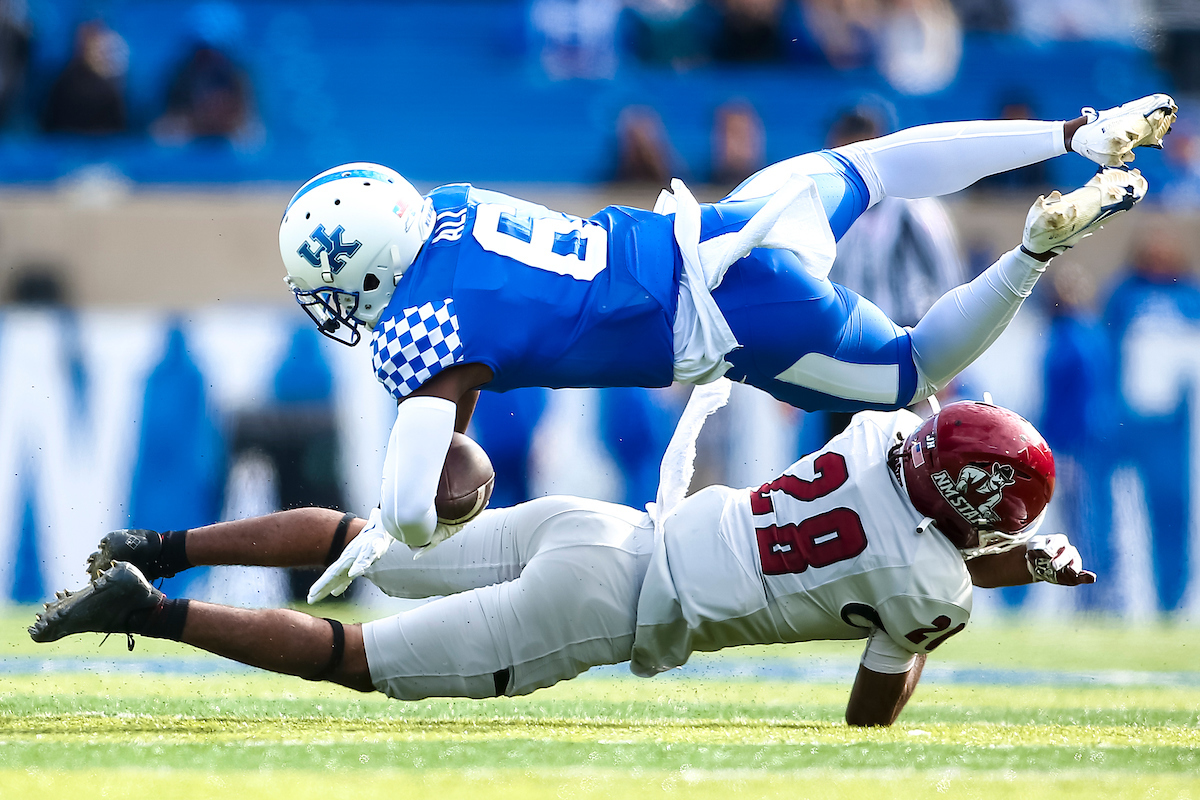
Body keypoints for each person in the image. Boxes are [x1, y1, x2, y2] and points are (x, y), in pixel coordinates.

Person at [278, 94, 1174, 550]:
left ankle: (1028, 254)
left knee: (910, 372)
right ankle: (1073, 135)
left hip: (738, 316)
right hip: (727, 220)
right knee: (876, 163)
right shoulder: (450, 206)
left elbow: (407, 511)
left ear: (362, 264)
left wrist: (446, 497)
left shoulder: (421, 329)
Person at [30, 399, 1094, 727]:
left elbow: (885, 540)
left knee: (372, 537)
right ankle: (154, 610)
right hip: (610, 601)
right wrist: (975, 589)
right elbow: (875, 702)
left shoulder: (874, 439)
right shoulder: (933, 587)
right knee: (357, 657)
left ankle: (158, 548)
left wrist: (1001, 563)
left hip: (608, 526)